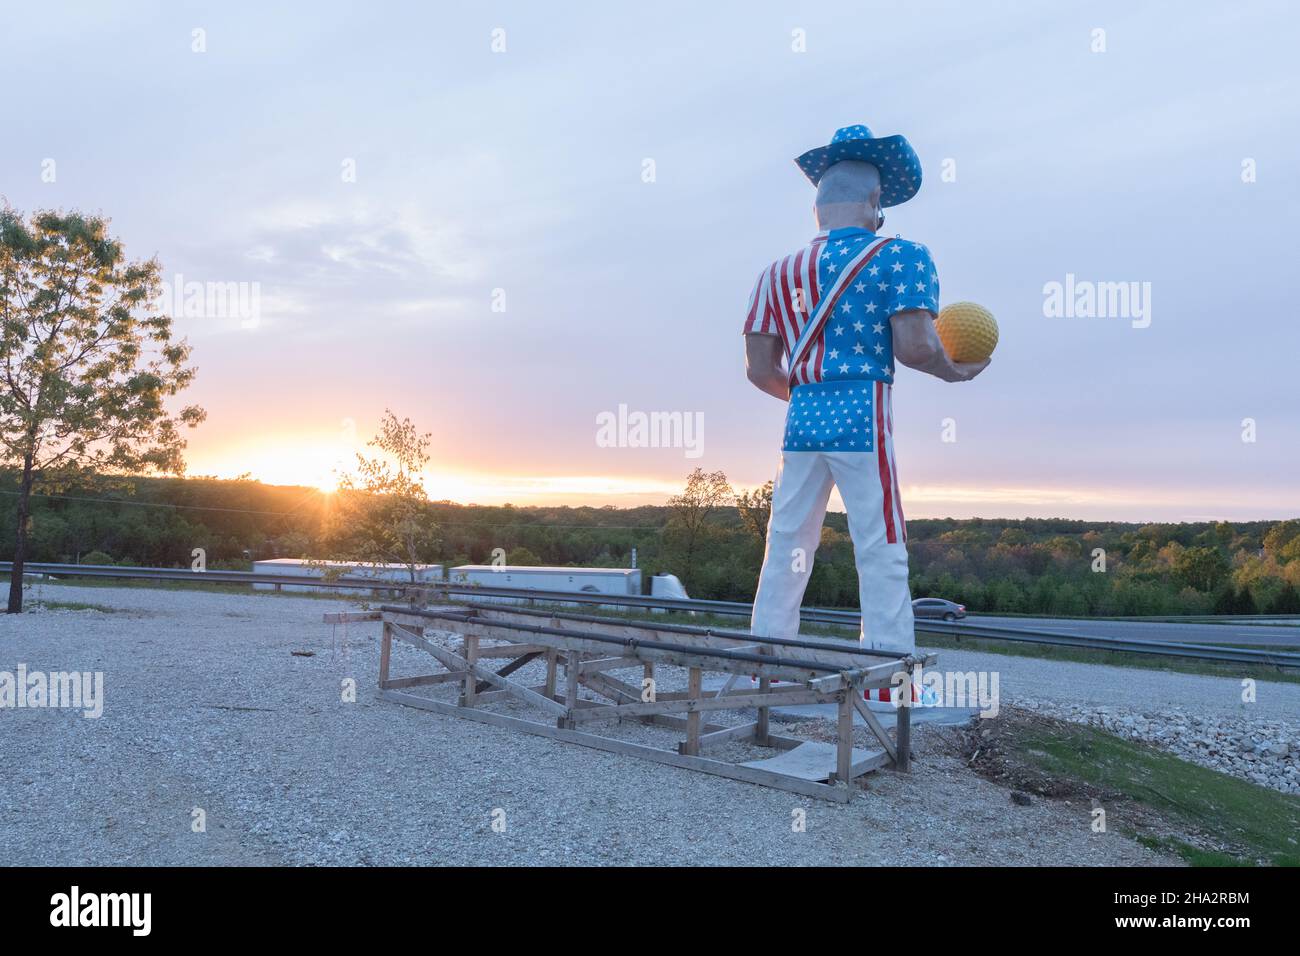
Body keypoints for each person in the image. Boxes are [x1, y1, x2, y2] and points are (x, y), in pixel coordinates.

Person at [742, 123, 989, 654]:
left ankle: (767, 659)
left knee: (786, 542)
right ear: (876, 201)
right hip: (862, 410)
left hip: (802, 415)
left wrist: (813, 393)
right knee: (879, 544)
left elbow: (760, 369)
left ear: (819, 206)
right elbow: (916, 346)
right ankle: (886, 677)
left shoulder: (775, 274)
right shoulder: (901, 256)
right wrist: (956, 371)